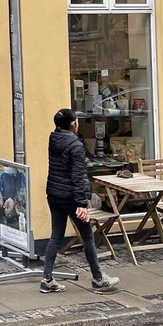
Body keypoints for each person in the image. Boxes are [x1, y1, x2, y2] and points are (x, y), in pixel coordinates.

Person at [40, 108, 119, 294]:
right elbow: (78, 176)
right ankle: (98, 279)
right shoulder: (75, 145)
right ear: (73, 124)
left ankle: (47, 279)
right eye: (76, 121)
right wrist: (82, 203)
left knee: (55, 237)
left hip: (54, 194)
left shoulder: (54, 139)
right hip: (71, 197)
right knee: (88, 237)